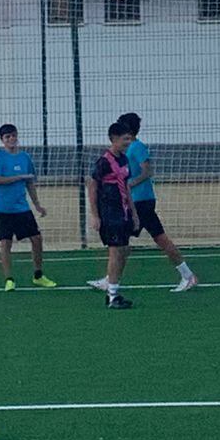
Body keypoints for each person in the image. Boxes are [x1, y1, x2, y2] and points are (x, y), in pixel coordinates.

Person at [97, 112, 198, 293]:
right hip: (134, 202)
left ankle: (188, 275)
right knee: (127, 242)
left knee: (135, 241)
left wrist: (129, 184)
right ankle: (110, 279)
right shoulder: (124, 150)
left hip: (141, 201)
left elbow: (147, 171)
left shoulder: (138, 147)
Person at [0, 123, 55, 291]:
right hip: (3, 209)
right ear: (2, 140)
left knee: (37, 239)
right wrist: (18, 177)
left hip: (22, 208)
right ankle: (9, 279)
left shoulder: (25, 157)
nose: (11, 139)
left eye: (13, 136)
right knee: (5, 243)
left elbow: (30, 182)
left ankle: (38, 275)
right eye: (7, 137)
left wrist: (37, 205)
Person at [85, 121, 138, 310]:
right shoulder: (104, 162)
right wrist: (95, 215)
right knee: (115, 251)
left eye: (129, 139)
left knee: (124, 250)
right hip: (109, 213)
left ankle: (114, 288)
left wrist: (134, 213)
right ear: (114, 139)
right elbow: (92, 187)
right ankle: (112, 295)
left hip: (123, 212)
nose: (128, 142)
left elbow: (127, 188)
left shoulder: (124, 160)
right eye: (125, 139)